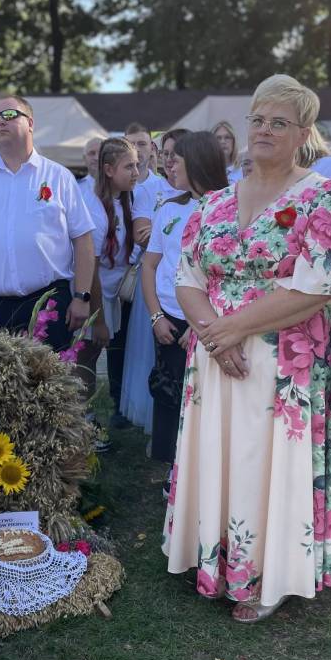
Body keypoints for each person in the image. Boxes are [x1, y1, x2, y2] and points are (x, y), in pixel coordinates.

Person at [163, 74, 331, 623]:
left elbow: (319, 285)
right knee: (226, 451)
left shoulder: (324, 196)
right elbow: (186, 278)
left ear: (303, 133)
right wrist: (215, 334)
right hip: (218, 355)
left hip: (289, 358)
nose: (265, 130)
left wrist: (232, 328)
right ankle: (219, 558)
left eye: (280, 123)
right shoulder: (213, 203)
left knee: (269, 458)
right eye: (258, 120)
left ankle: (271, 571)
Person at [0, 96, 95, 351]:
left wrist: (82, 296)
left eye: (9, 115)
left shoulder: (59, 176)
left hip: (49, 303)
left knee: (48, 377)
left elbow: (83, 239)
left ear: (30, 123)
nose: (0, 122)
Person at [141, 131, 227, 485]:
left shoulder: (227, 209)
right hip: (169, 320)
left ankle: (204, 473)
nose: (169, 165)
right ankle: (173, 470)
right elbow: (149, 265)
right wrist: (156, 316)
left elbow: (225, 276)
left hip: (209, 325)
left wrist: (200, 323)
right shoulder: (169, 209)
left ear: (198, 162)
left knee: (204, 400)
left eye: (176, 159)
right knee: (169, 394)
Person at [120, 128, 191, 435]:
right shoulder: (152, 191)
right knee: (158, 364)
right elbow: (143, 237)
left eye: (176, 154)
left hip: (196, 303)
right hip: (160, 294)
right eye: (166, 154)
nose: (169, 161)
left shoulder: (211, 200)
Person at [79, 138, 140, 419]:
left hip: (111, 294)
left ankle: (87, 420)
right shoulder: (95, 208)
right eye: (129, 167)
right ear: (108, 170)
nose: (136, 173)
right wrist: (98, 320)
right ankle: (84, 422)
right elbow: (89, 267)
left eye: (137, 165)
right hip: (96, 296)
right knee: (85, 360)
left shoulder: (125, 200)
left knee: (91, 357)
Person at [78, 136, 102, 201]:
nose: (97, 158)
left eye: (101, 153)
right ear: (84, 159)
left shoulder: (120, 188)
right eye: (92, 153)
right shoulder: (76, 189)